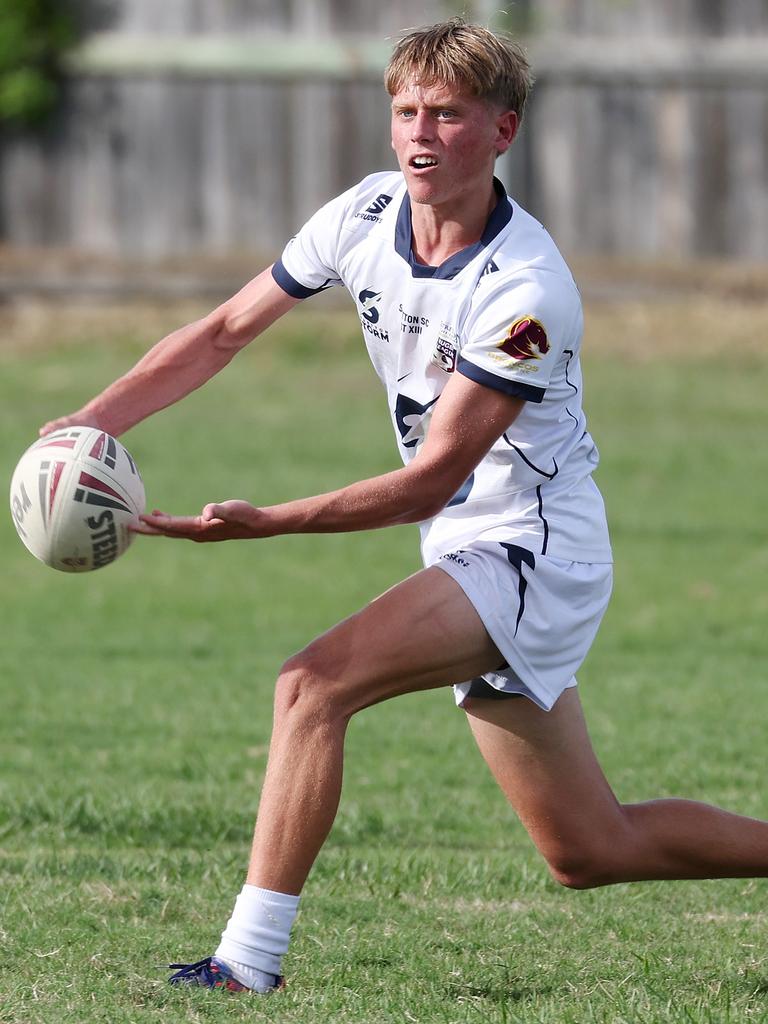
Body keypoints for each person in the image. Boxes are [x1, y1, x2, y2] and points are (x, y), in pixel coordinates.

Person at [41, 18, 768, 996]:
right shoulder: (365, 212)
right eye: (406, 112)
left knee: (312, 684)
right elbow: (219, 332)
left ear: (504, 130)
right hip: (469, 540)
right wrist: (86, 422)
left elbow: (431, 478)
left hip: (532, 547)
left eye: (450, 115)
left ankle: (244, 966)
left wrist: (268, 523)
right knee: (588, 849)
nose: (422, 134)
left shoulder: (526, 292)